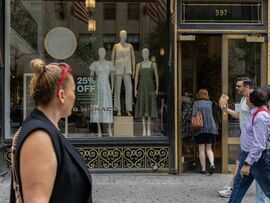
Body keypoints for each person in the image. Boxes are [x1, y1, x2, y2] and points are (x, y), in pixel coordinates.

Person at [10, 59, 92, 203]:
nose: (75, 96)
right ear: (61, 95)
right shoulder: (39, 137)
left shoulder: (46, 130)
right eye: (73, 91)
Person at [219, 78, 268, 203]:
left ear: (252, 100)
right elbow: (239, 115)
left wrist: (248, 163)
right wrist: (225, 108)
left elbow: (259, 144)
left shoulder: (261, 117)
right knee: (238, 186)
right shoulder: (252, 111)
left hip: (257, 158)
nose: (246, 99)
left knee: (267, 189)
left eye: (238, 85)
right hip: (247, 154)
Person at [191, 89, 218, 174]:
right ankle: (212, 164)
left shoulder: (196, 104)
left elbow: (193, 115)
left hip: (200, 129)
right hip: (211, 128)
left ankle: (203, 169)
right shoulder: (210, 103)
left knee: (201, 149)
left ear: (198, 95)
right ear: (207, 94)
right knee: (209, 148)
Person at [89, 47, 115, 137]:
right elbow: (91, 76)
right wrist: (90, 85)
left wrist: (112, 88)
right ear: (98, 53)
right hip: (98, 87)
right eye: (100, 52)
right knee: (98, 106)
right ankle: (99, 129)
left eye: (103, 52)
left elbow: (112, 77)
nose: (102, 53)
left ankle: (109, 129)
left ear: (105, 53)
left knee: (107, 105)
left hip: (106, 86)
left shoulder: (109, 63)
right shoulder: (95, 64)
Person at [134, 48, 159, 136]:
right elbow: (136, 77)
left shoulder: (153, 64)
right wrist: (135, 89)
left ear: (148, 54)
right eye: (143, 52)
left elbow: (156, 77)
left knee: (149, 107)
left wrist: (157, 88)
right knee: (143, 107)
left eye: (146, 52)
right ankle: (144, 128)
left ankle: (148, 128)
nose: (145, 54)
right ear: (142, 54)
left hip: (150, 87)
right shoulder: (138, 65)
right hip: (142, 87)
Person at [111, 30, 135, 116]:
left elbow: (133, 58)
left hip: (127, 69)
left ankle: (129, 109)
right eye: (123, 34)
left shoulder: (130, 46)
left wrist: (134, 69)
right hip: (118, 68)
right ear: (120, 35)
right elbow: (113, 58)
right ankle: (118, 109)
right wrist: (112, 69)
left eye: (125, 34)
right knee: (117, 89)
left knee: (129, 88)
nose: (124, 36)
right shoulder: (116, 46)